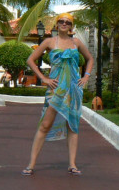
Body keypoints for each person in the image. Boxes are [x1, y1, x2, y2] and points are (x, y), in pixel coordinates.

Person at [21, 12, 93, 176]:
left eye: (68, 22)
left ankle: (72, 164)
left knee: (72, 125)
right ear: (56, 24)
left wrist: (86, 77)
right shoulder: (49, 42)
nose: (64, 24)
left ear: (71, 26)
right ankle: (31, 164)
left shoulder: (76, 42)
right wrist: (43, 78)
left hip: (73, 89)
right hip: (55, 88)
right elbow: (30, 60)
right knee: (45, 125)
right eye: (61, 21)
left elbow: (90, 59)